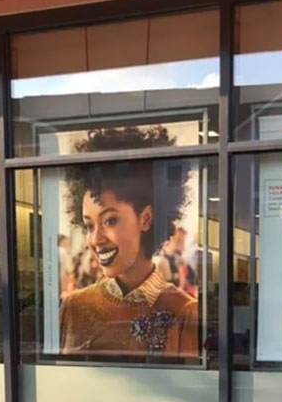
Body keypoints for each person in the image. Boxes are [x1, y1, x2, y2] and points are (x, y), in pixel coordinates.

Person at [59, 127, 199, 358]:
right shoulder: (73, 308)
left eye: (110, 221)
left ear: (145, 219)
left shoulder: (184, 312)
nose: (95, 239)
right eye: (89, 225)